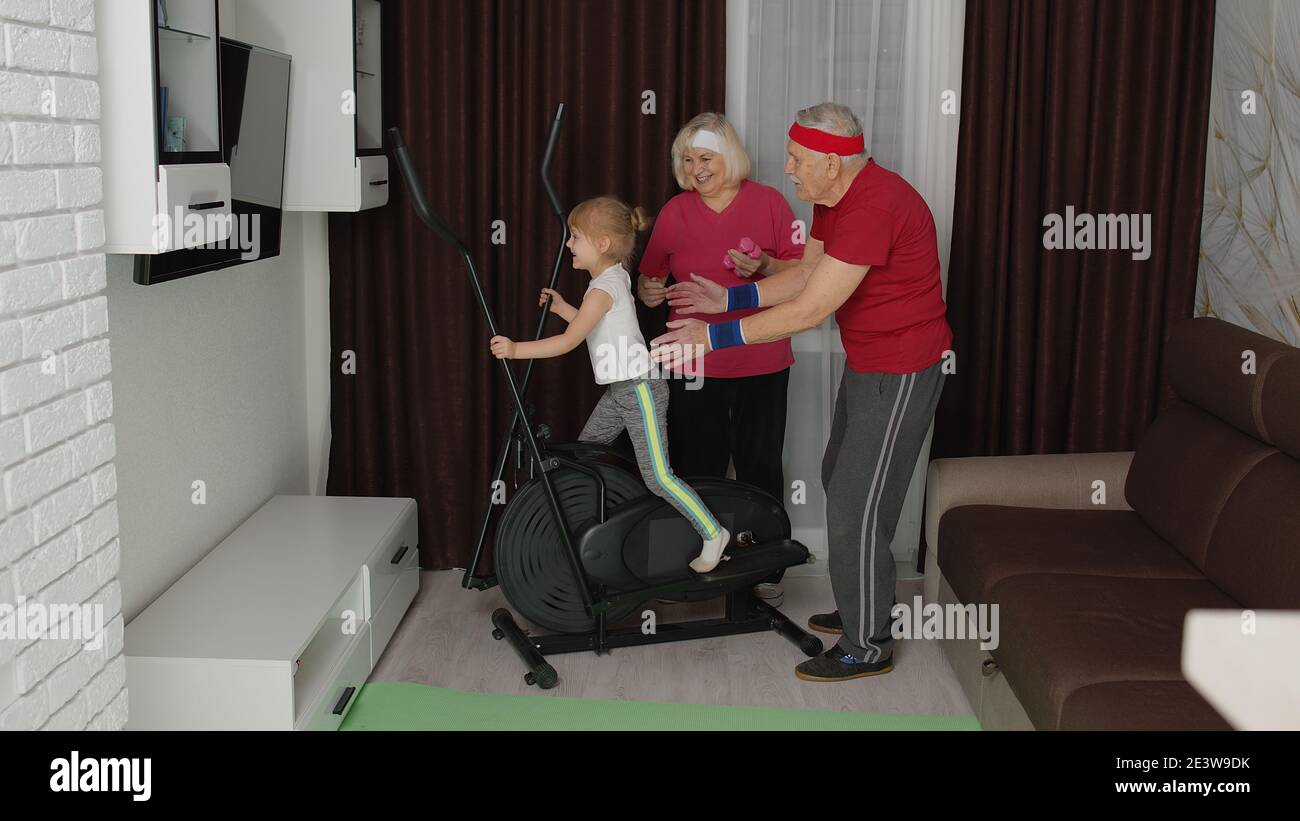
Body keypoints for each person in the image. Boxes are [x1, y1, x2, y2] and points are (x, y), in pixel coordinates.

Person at [653, 102, 952, 682]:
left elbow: (813, 308)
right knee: (842, 476)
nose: (786, 167)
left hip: (902, 366)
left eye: (797, 158)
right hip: (871, 362)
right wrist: (730, 299)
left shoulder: (875, 204)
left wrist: (712, 338)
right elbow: (806, 276)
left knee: (855, 502)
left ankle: (868, 646)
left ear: (833, 163)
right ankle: (862, 605)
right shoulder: (833, 199)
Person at [490, 197, 731, 573]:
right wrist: (564, 308)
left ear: (601, 243)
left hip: (640, 389)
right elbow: (593, 326)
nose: (569, 244)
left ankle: (713, 532)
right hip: (620, 391)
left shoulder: (605, 287)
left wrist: (515, 349)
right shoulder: (609, 281)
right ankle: (592, 531)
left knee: (658, 476)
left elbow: (570, 341)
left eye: (575, 237)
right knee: (585, 453)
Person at [637, 113, 801, 508]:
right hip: (691, 360)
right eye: (688, 160)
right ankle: (700, 552)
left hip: (760, 357)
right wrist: (649, 291)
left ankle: (763, 557)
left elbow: (805, 275)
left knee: (759, 465)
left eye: (705, 158)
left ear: (729, 155)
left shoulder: (771, 203)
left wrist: (762, 266)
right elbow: (648, 282)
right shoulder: (675, 211)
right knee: (696, 465)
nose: (696, 169)